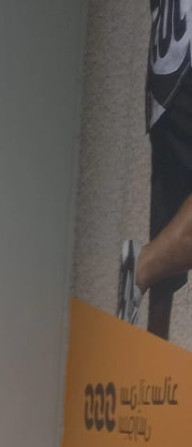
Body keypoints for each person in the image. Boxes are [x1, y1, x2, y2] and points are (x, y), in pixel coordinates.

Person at [118, 0, 192, 336]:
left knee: (171, 226)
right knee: (163, 252)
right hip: (182, 58)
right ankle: (142, 267)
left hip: (168, 67)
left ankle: (153, 360)